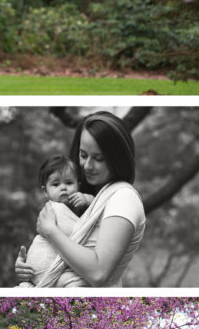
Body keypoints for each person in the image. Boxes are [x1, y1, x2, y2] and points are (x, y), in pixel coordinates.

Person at [15, 111, 145, 287]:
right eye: (83, 155)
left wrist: (50, 231)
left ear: (117, 158)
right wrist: (31, 263)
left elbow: (98, 272)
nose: (88, 165)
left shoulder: (123, 197)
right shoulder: (86, 195)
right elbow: (70, 241)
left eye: (98, 158)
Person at [17, 155, 93, 288]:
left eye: (69, 183)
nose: (63, 188)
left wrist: (87, 199)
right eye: (56, 184)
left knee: (77, 283)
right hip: (33, 274)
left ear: (78, 186)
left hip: (62, 276)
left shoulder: (80, 212)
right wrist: (22, 263)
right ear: (45, 191)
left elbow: (97, 209)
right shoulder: (51, 210)